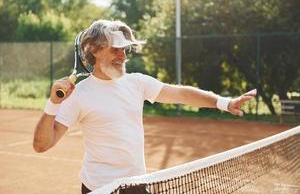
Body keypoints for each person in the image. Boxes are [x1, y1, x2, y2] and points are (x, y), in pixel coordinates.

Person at [33, 19, 257, 194]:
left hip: (137, 185)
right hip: (99, 188)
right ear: (94, 50)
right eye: (115, 49)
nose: (122, 56)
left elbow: (180, 93)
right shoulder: (79, 95)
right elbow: (42, 145)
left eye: (125, 49)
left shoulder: (137, 83)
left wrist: (225, 103)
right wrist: (53, 103)